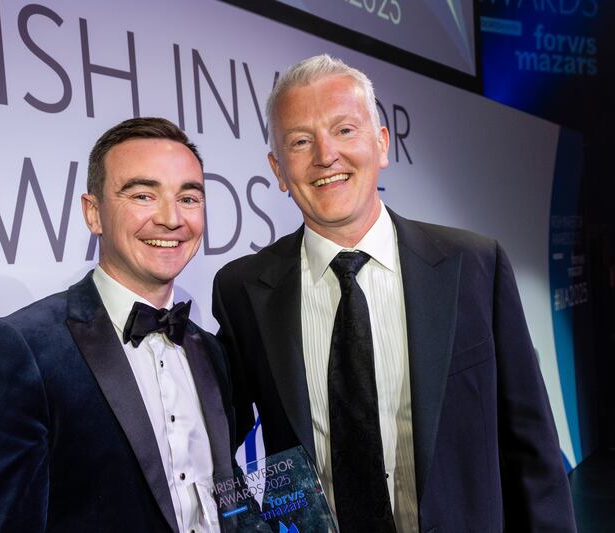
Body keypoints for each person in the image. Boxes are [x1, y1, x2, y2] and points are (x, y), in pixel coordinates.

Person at [212, 54, 575, 532]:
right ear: (278, 169)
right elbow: (212, 446)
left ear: (381, 144)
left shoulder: (474, 266)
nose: (326, 155)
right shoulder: (244, 289)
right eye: (300, 141)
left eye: (345, 130)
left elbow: (533, 450)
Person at [0, 117, 234, 532]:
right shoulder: (19, 348)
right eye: (143, 195)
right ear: (93, 213)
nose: (172, 219)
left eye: (188, 198)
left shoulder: (210, 349)